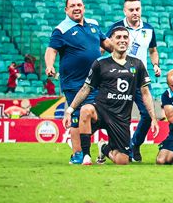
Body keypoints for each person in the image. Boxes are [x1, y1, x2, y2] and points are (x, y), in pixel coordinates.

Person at [63, 25, 158, 166]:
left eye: (125, 37)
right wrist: (70, 110)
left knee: (122, 160)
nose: (122, 40)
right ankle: (86, 155)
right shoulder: (100, 63)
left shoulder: (137, 64)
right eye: (118, 37)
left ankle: (104, 148)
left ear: (129, 41)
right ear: (111, 41)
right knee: (86, 110)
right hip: (101, 111)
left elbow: (145, 93)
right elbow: (85, 89)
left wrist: (153, 117)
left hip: (121, 118)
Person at [44, 0, 109, 164]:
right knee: (78, 115)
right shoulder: (61, 30)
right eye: (72, 6)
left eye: (79, 4)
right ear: (66, 10)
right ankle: (78, 153)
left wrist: (122, 49)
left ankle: (83, 143)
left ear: (84, 7)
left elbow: (106, 43)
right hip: (74, 83)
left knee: (97, 115)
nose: (76, 8)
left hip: (96, 81)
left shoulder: (94, 24)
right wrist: (49, 65)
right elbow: (51, 50)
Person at [115, 0, 164, 162]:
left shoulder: (149, 29)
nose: (135, 12)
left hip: (140, 79)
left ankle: (134, 145)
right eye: (131, 10)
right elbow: (104, 47)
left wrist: (155, 65)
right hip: (119, 78)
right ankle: (117, 147)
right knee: (119, 115)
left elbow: (153, 51)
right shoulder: (116, 28)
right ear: (124, 11)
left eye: (137, 9)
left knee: (148, 114)